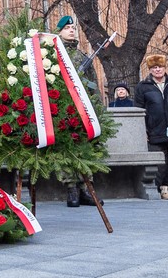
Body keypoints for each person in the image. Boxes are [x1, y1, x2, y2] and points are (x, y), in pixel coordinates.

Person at [56, 15, 103, 207]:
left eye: (73, 27)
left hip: (84, 110)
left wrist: (98, 107)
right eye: (67, 28)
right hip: (63, 110)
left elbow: (93, 86)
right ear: (59, 32)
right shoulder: (53, 55)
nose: (71, 30)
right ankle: (71, 189)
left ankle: (86, 188)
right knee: (67, 149)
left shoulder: (83, 57)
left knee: (86, 149)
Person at [134, 53, 168, 198]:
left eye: (160, 67)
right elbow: (139, 110)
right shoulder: (142, 87)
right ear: (150, 69)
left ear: (165, 68)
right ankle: (164, 192)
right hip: (155, 131)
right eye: (154, 67)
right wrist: (143, 130)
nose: (157, 69)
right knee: (160, 165)